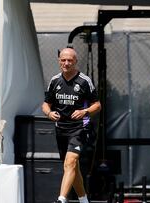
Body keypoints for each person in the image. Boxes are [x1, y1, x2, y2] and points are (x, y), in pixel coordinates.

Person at [42, 47, 101, 203]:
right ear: (59, 61)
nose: (66, 63)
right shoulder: (55, 81)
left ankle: (62, 199)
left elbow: (97, 105)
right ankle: (83, 200)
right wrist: (49, 113)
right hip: (61, 130)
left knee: (70, 162)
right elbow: (45, 104)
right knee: (71, 167)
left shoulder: (84, 81)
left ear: (75, 61)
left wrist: (85, 111)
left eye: (69, 60)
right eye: (63, 60)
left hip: (80, 129)